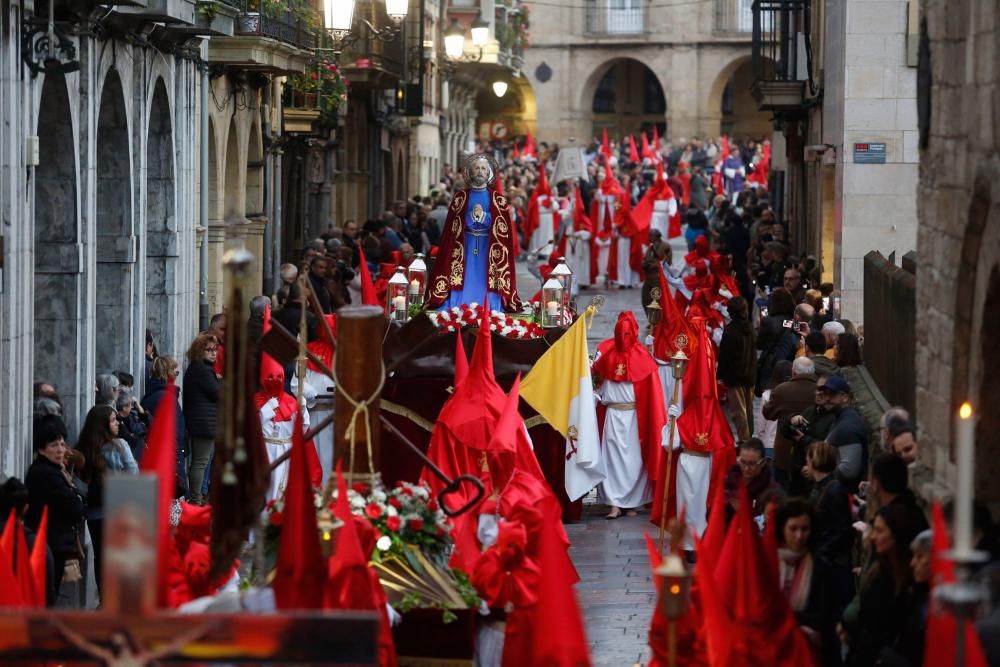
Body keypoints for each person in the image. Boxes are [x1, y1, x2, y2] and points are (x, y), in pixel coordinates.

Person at [593, 312, 667, 520]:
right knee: (612, 460)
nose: (623, 337)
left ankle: (633, 501)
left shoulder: (643, 357)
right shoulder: (606, 355)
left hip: (635, 418)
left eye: (626, 333)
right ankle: (615, 503)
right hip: (613, 416)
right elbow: (598, 385)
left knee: (634, 460)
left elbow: (652, 394)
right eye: (620, 333)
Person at [425, 154, 521, 312]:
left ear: (489, 173)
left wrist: (483, 216)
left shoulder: (498, 199)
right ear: (470, 172)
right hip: (465, 245)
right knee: (464, 275)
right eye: (477, 168)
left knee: (485, 277)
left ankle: (489, 307)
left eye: (484, 168)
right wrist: (470, 217)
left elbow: (504, 225)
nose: (480, 171)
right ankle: (458, 306)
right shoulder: (460, 197)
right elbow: (452, 225)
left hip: (489, 247)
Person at [840, 503, 926, 666]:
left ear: (896, 534)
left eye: (880, 531)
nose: (873, 536)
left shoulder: (909, 581)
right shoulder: (879, 571)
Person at [76, 404, 138, 595]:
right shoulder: (120, 446)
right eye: (113, 420)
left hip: (94, 514)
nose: (118, 423)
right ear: (103, 425)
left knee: (101, 557)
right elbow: (133, 476)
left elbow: (79, 484)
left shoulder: (81, 449)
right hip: (118, 511)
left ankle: (104, 597)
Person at [24, 415, 86, 604]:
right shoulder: (46, 474)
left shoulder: (55, 470)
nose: (60, 450)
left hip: (54, 543)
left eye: (62, 444)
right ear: (42, 449)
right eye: (54, 445)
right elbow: (76, 506)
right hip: (50, 544)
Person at [774, 498, 841, 666]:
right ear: (782, 529)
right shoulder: (768, 563)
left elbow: (825, 616)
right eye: (793, 529)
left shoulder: (821, 568)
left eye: (805, 529)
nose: (799, 536)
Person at [804, 441, 855, 611]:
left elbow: (842, 530)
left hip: (831, 564)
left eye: (808, 460)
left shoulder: (832, 490)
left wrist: (821, 551)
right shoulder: (823, 487)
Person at [878, 530, 932, 667]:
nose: (912, 563)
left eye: (920, 557)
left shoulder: (935, 607)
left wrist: (887, 656)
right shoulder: (915, 593)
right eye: (913, 556)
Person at [762, 357, 817, 490]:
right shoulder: (819, 391)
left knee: (782, 490)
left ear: (793, 372)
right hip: (811, 451)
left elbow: (768, 414)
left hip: (784, 452)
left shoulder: (782, 389)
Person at [141, 356, 188, 498]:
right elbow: (172, 433)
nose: (176, 375)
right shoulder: (166, 397)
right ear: (167, 373)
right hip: (167, 459)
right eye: (175, 371)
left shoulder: (151, 395)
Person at [182, 334, 221, 505]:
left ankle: (196, 497)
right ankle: (196, 499)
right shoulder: (201, 369)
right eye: (209, 350)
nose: (213, 354)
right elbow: (218, 393)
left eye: (215, 350)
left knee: (201, 461)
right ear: (200, 351)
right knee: (200, 462)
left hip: (204, 421)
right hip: (204, 423)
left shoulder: (201, 368)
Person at [819, 375, 868, 492]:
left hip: (844, 495)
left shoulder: (848, 426)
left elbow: (849, 470)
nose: (826, 398)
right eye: (825, 394)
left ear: (845, 397)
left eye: (831, 394)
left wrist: (821, 473)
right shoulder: (840, 419)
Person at [716, 296, 755, 442]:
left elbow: (725, 356)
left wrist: (720, 375)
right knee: (748, 408)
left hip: (735, 376)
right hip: (750, 374)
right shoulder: (750, 327)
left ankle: (744, 439)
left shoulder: (730, 331)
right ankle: (749, 436)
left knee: (739, 411)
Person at [724, 438, 783, 520]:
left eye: (752, 464)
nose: (746, 468)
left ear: (763, 463)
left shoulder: (772, 491)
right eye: (743, 462)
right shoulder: (728, 484)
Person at [755, 288, 799, 395]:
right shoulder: (792, 321)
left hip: (770, 363)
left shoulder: (767, 321)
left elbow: (759, 345)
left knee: (769, 394)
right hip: (790, 361)